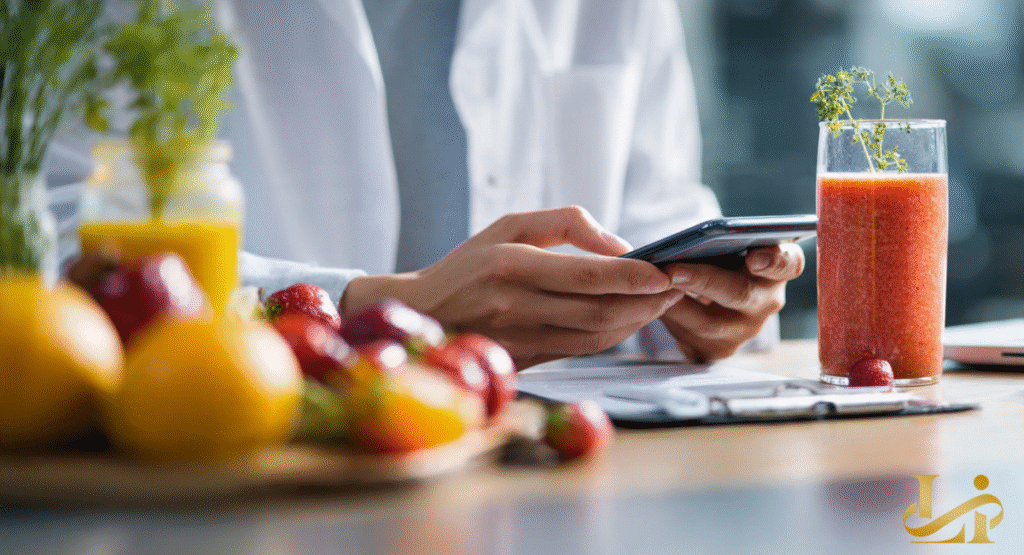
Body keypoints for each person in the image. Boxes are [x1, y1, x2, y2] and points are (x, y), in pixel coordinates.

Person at [56, 0, 805, 369]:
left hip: (545, 477)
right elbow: (56, 256)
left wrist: (712, 308)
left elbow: (661, 210)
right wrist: (380, 309)